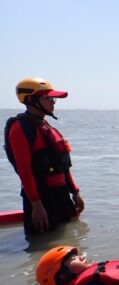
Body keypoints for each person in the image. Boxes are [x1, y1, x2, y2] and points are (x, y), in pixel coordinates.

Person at [4, 77, 84, 234]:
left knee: (70, 242)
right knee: (41, 246)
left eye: (53, 98)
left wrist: (75, 193)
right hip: (42, 198)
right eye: (48, 98)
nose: (53, 102)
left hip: (61, 195)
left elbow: (63, 166)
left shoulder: (48, 127)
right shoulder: (20, 128)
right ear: (31, 99)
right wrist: (37, 205)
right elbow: (24, 172)